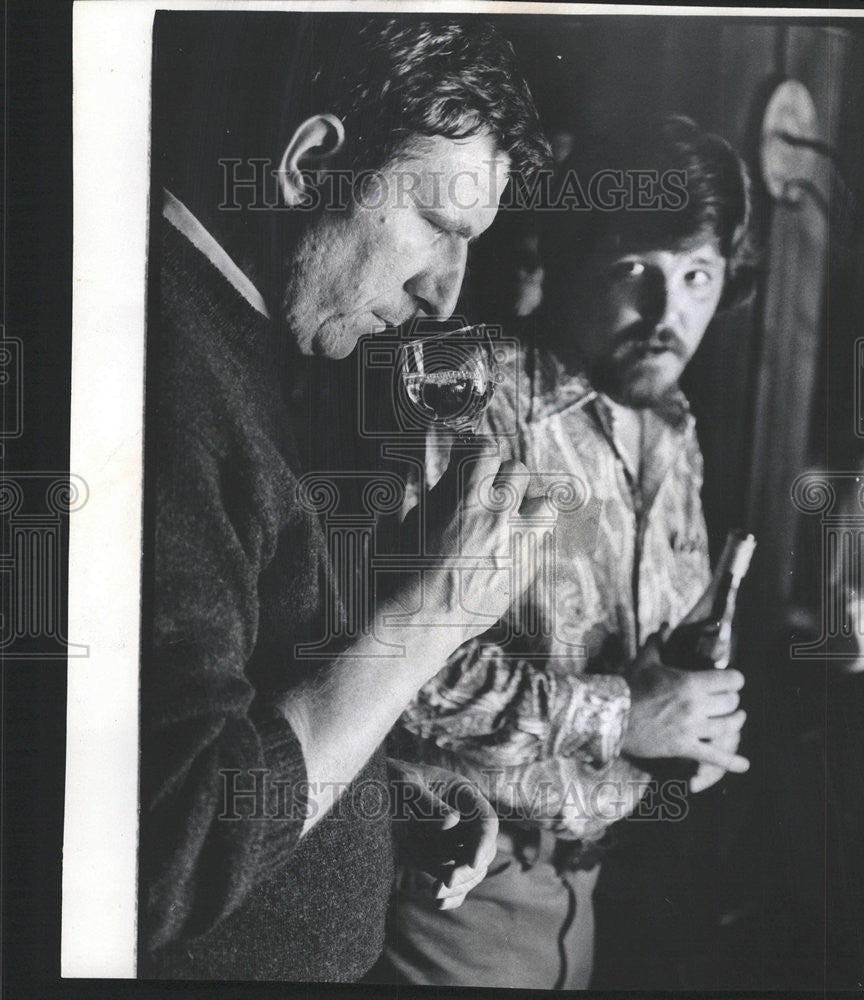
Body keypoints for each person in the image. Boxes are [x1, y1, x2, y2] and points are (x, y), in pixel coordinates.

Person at [139, 14, 552, 981]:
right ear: (311, 163)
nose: (446, 295)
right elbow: (160, 857)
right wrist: (429, 619)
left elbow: (244, 720)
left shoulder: (239, 345)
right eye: (439, 229)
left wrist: (375, 801)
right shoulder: (164, 373)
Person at [380, 115, 756, 989]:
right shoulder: (467, 397)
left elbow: (657, 670)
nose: (671, 315)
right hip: (459, 891)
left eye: (697, 276)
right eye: (637, 270)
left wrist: (689, 722)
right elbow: (398, 669)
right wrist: (624, 715)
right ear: (571, 253)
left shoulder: (670, 431)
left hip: (588, 891)